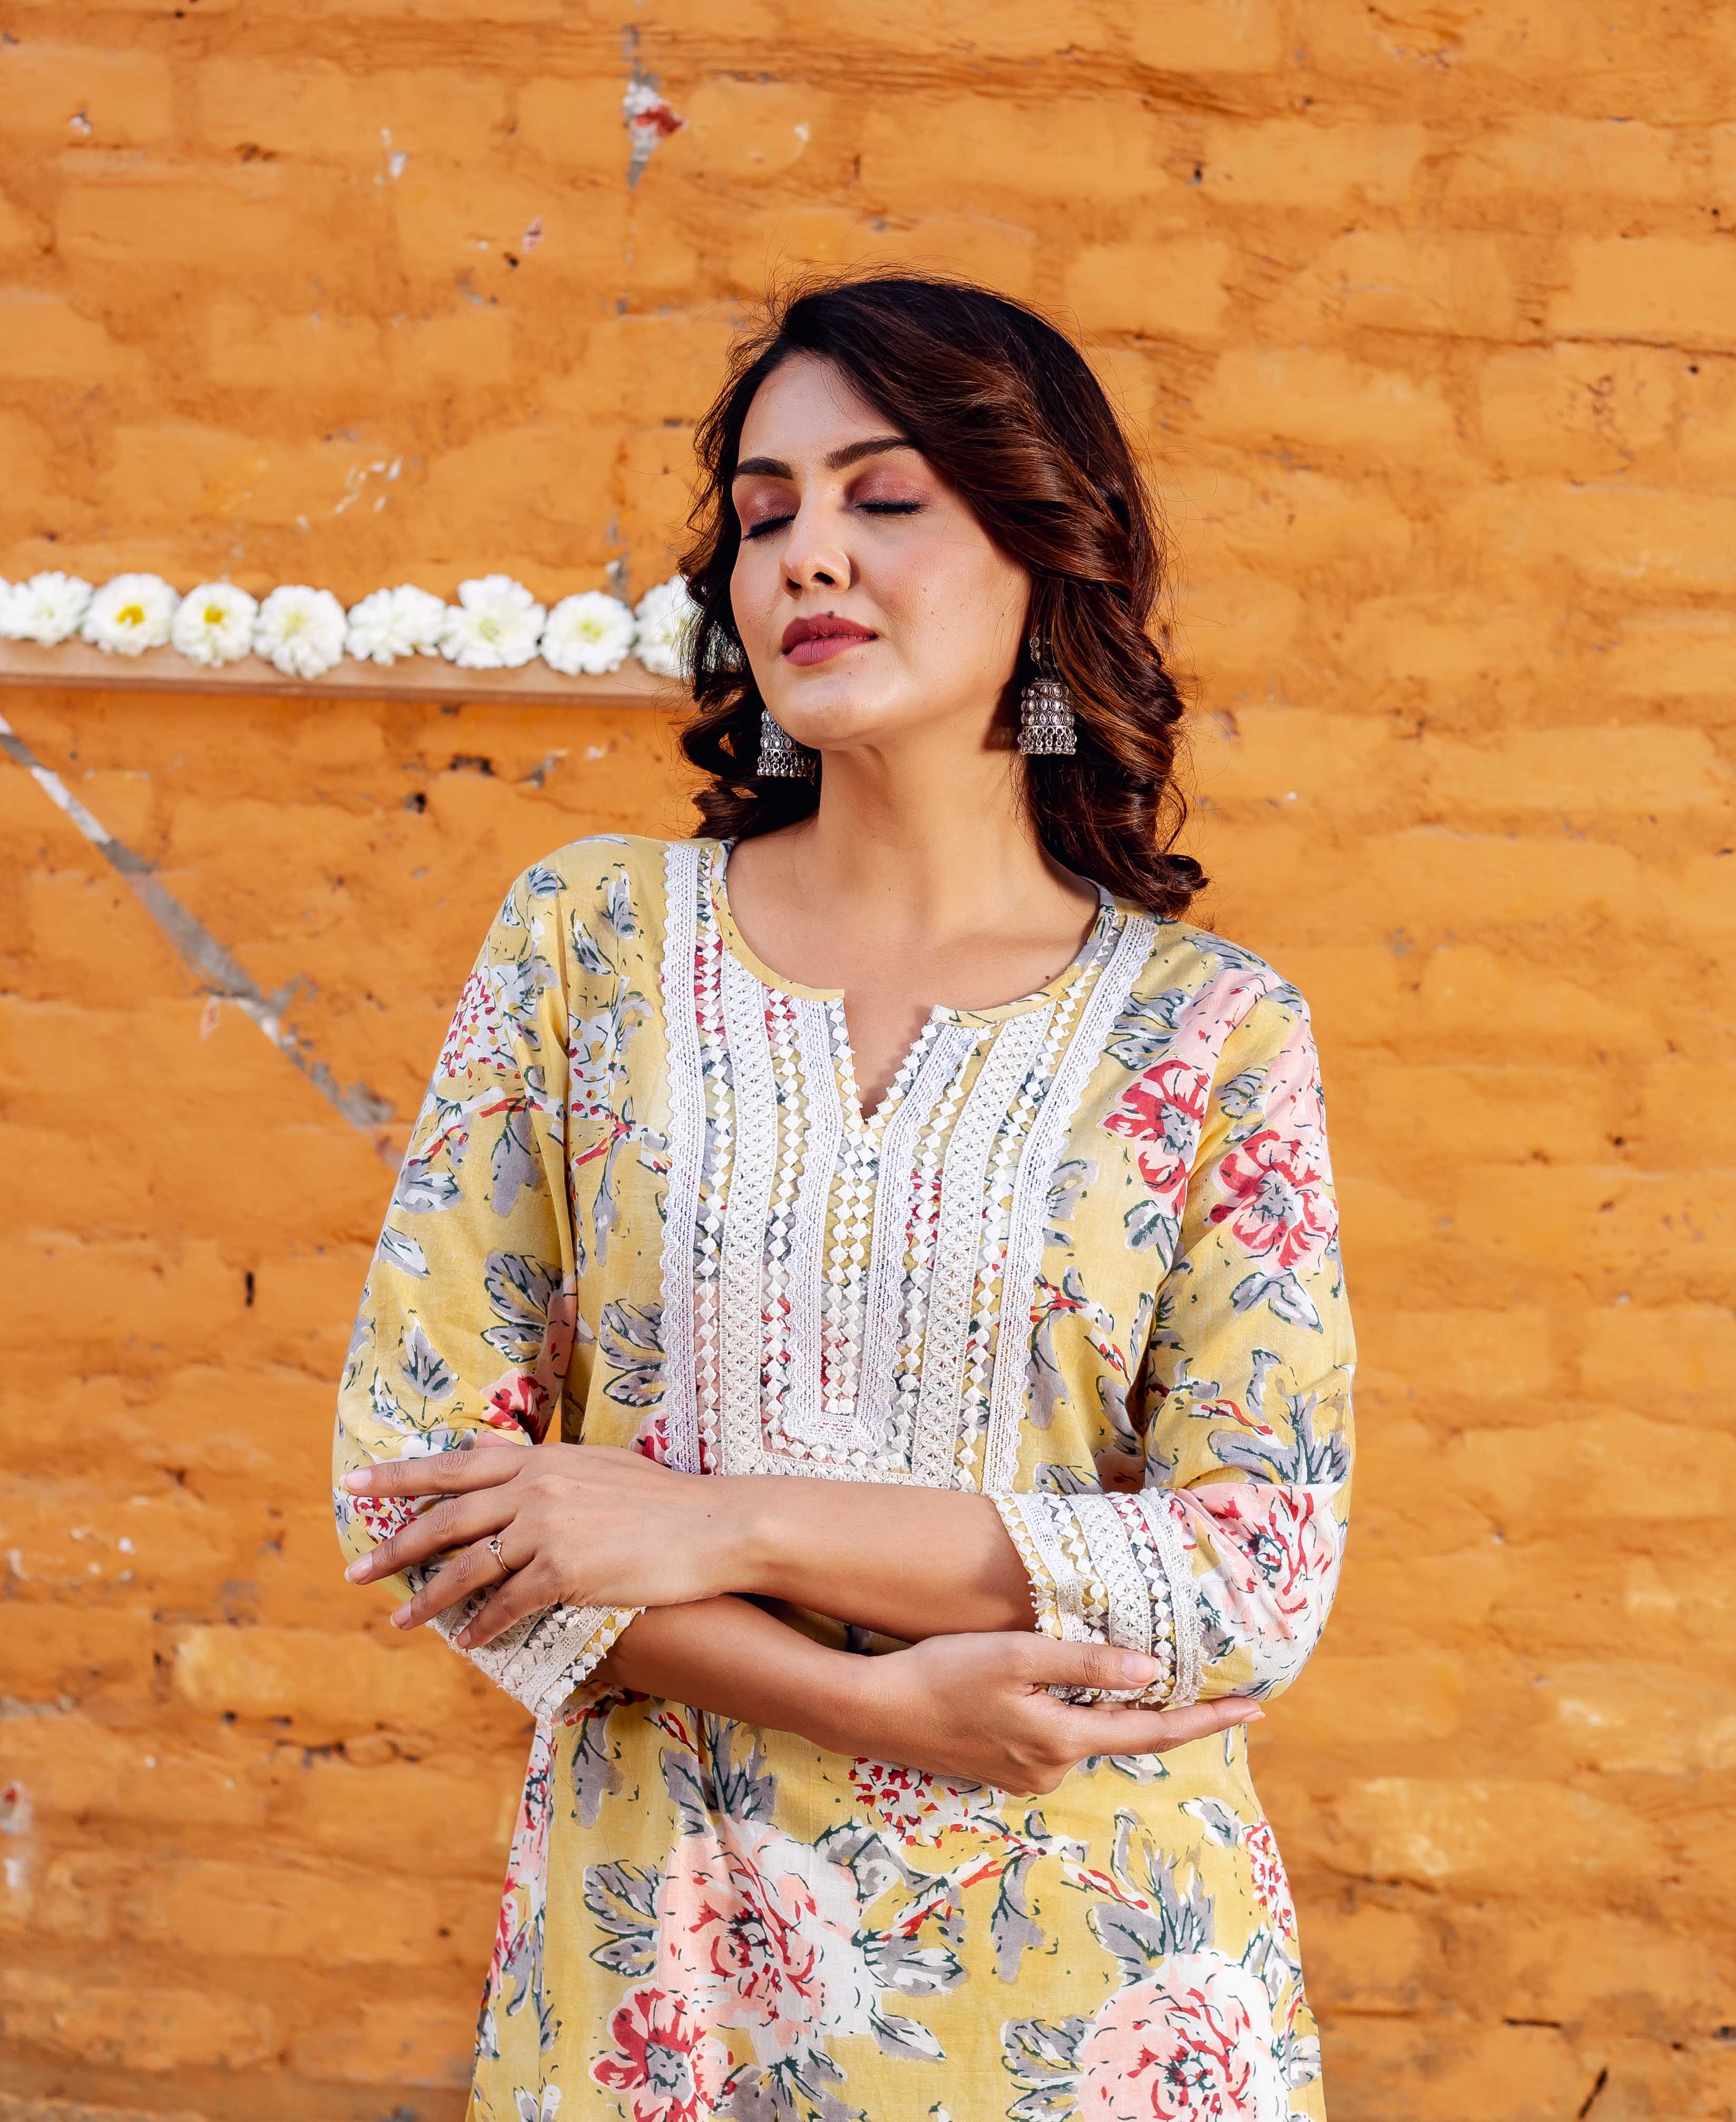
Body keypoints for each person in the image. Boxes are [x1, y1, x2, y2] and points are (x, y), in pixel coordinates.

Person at [333, 272, 1354, 2122]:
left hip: (1099, 1983)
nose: (807, 551)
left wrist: (710, 1523)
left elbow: (1254, 1565)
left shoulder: (1209, 1033)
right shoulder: (588, 945)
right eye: (765, 511)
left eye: (885, 497)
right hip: (667, 1971)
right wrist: (871, 1702)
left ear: (1047, 550)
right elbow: (417, 1483)